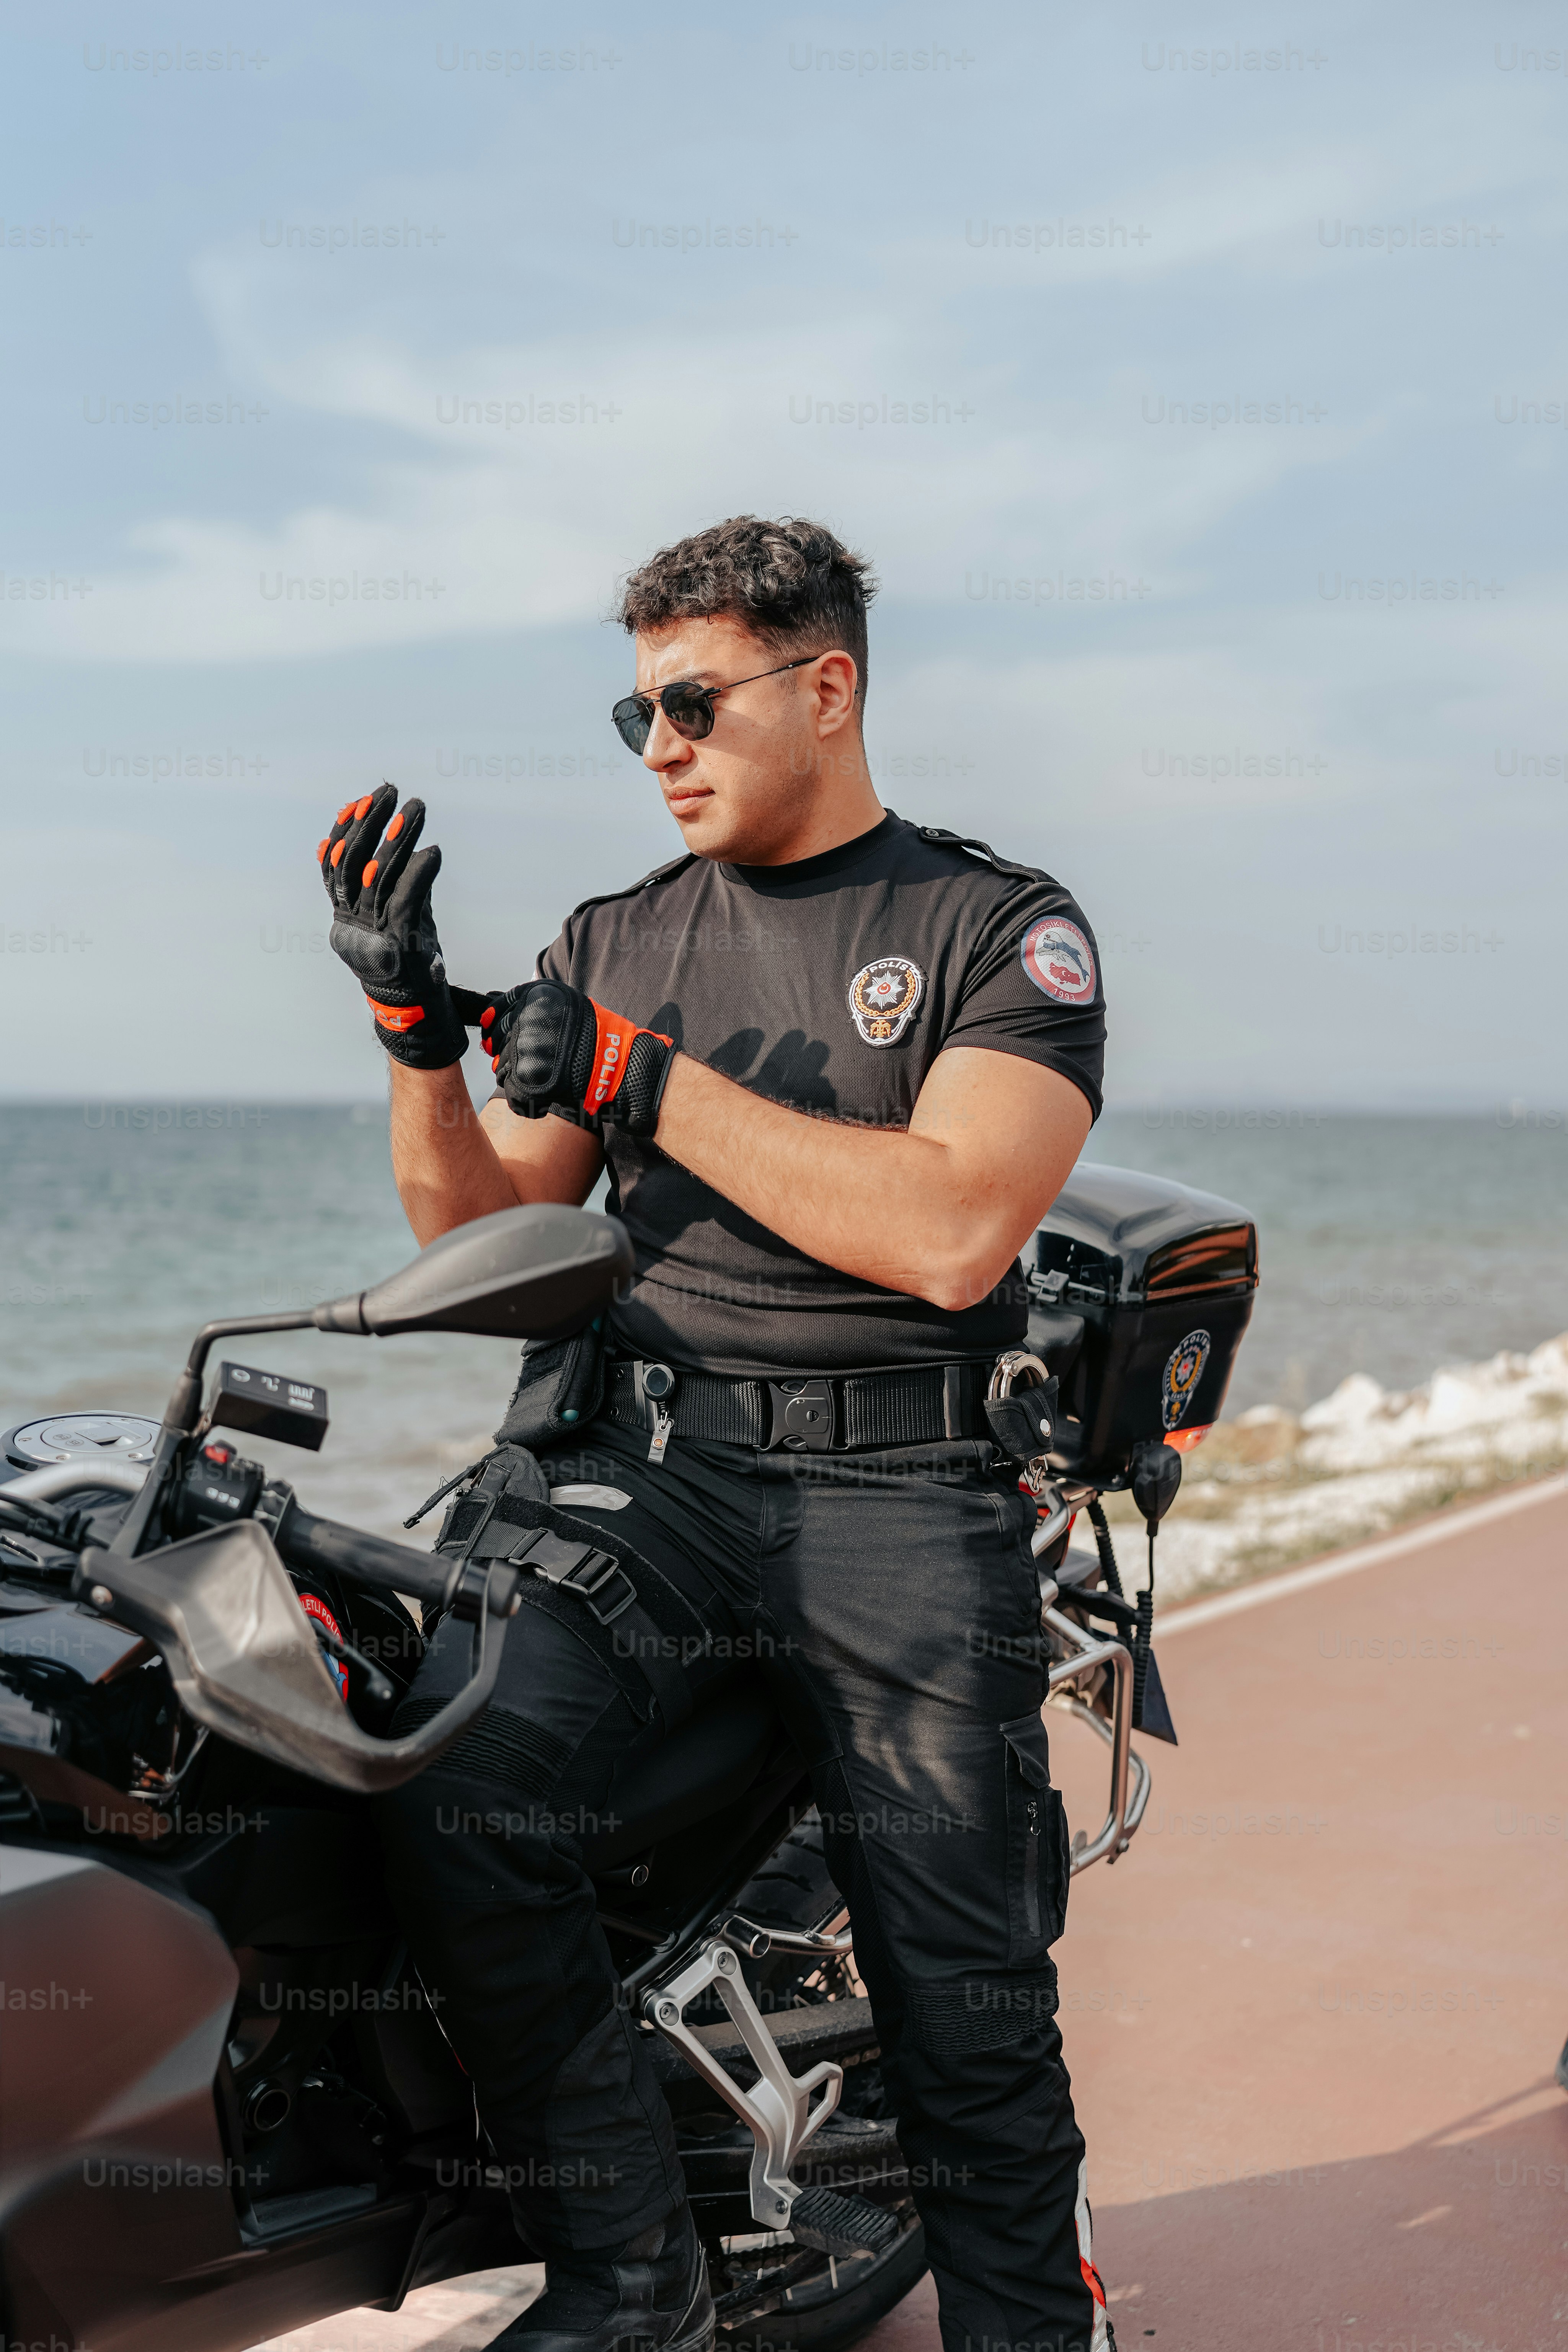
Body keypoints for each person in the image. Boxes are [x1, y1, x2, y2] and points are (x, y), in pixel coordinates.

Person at [319, 516, 1115, 2352]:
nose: (658, 744)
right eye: (633, 713)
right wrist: (406, 1031)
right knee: (454, 1787)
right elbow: (478, 1239)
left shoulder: (993, 926)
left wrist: (637, 1078)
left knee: (963, 2000)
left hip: (901, 1493)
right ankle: (629, 2284)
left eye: (690, 701)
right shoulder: (612, 938)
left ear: (824, 687)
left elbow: (948, 1228)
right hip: (655, 1481)